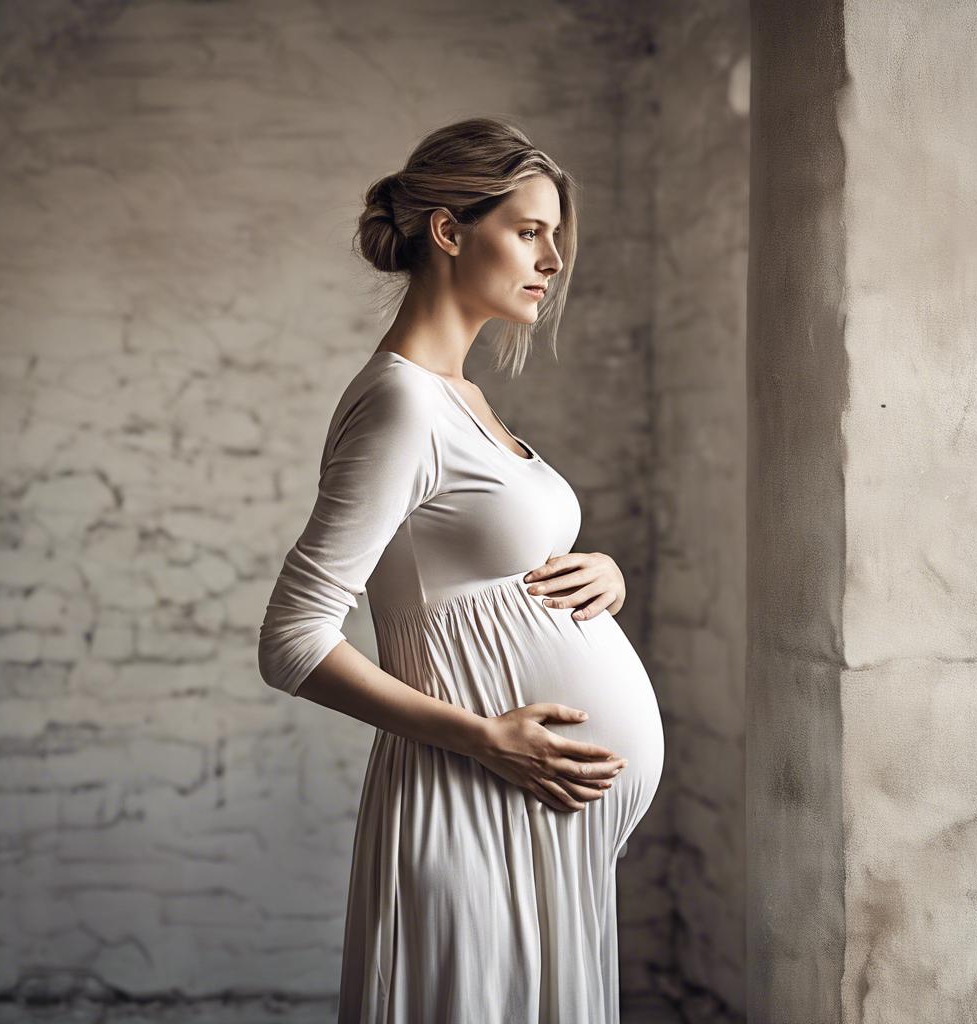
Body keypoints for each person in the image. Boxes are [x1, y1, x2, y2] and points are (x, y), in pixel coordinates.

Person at [257, 116, 665, 1024]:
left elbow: (486, 563)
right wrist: (486, 740)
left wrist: (603, 577)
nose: (553, 259)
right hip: (470, 804)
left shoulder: (464, 397)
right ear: (449, 230)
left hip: (534, 827)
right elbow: (291, 640)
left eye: (556, 235)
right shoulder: (401, 403)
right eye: (528, 231)